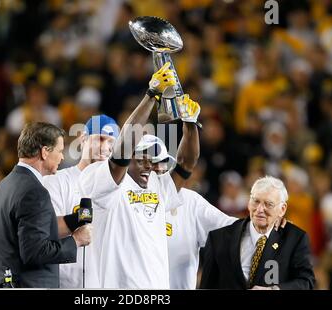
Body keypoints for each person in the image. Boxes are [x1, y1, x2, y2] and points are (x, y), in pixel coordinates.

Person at [79, 62, 201, 288]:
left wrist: (190, 126)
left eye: (153, 160)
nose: (148, 165)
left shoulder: (158, 184)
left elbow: (187, 162)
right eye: (142, 157)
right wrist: (152, 95)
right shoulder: (102, 177)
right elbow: (123, 150)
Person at [0, 122, 92, 288]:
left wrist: (75, 220)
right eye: (59, 151)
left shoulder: (4, 184)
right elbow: (35, 252)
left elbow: (23, 234)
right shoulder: (34, 191)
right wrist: (76, 241)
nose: (62, 157)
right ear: (45, 152)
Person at [146, 135, 237, 289]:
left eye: (163, 163)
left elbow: (228, 227)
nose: (159, 168)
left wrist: (263, 226)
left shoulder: (190, 202)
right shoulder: (122, 201)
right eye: (150, 163)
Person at [42, 114, 119, 288]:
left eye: (111, 143)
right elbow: (45, 231)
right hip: (63, 284)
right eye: (100, 139)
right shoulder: (56, 181)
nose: (105, 148)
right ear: (83, 139)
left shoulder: (119, 190)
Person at [200, 176, 315, 289]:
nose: (260, 209)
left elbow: (307, 282)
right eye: (256, 201)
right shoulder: (219, 238)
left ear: (282, 209)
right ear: (249, 202)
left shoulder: (295, 239)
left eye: (268, 204)